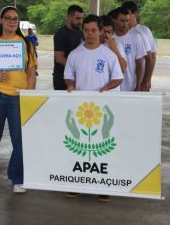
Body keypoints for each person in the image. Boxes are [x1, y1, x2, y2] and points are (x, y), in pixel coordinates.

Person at [0, 6, 37, 193]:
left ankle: (17, 178)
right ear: (1, 20)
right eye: (8, 18)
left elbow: (31, 73)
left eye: (15, 19)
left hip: (18, 97)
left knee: (19, 140)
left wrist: (28, 95)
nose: (12, 21)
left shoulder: (26, 44)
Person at [64, 15, 123, 202]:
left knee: (103, 148)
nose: (90, 34)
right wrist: (71, 86)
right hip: (81, 109)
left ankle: (103, 186)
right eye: (86, 30)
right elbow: (68, 76)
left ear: (100, 32)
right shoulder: (75, 54)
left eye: (93, 30)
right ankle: (78, 184)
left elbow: (118, 77)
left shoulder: (108, 54)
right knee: (80, 147)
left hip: (104, 109)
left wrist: (106, 88)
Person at [109, 7, 147, 92]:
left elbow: (140, 64)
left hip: (130, 87)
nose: (125, 24)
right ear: (114, 20)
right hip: (112, 88)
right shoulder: (109, 38)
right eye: (122, 21)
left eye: (127, 21)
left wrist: (138, 85)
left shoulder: (136, 37)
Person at [122, 1, 157, 91]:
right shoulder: (119, 32)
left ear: (135, 14)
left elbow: (151, 57)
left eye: (128, 14)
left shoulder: (144, 31)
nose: (126, 17)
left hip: (140, 82)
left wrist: (146, 81)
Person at [53, 5, 84, 90]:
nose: (80, 21)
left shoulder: (81, 33)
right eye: (77, 18)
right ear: (69, 17)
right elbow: (59, 58)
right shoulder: (61, 34)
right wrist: (78, 68)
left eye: (81, 18)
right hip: (62, 80)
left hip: (77, 79)